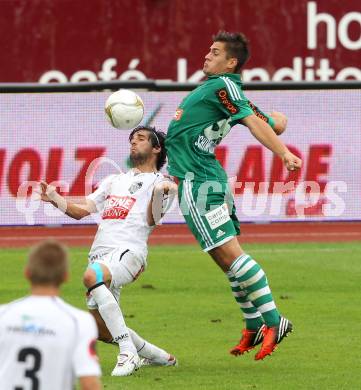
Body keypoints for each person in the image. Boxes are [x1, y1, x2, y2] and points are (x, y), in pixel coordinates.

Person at [165, 31, 302, 360]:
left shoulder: (224, 86)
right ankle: (254, 323)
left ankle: (273, 320)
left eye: (215, 52)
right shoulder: (227, 92)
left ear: (231, 62)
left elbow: (258, 126)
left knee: (229, 256)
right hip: (207, 178)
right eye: (208, 50)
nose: (206, 56)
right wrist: (276, 121)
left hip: (197, 180)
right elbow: (268, 122)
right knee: (224, 257)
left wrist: (283, 153)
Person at [37, 126, 178, 376]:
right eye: (132, 139)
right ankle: (161, 357)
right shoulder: (114, 181)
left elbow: (152, 220)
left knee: (92, 276)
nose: (134, 143)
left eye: (141, 139)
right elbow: (83, 210)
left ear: (157, 148)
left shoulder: (162, 183)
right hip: (100, 255)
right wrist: (56, 198)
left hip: (129, 253)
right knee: (100, 328)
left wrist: (158, 195)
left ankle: (127, 352)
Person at [0, 240, 102, 390]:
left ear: (27, 273)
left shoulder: (3, 314)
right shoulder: (80, 322)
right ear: (65, 277)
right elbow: (89, 383)